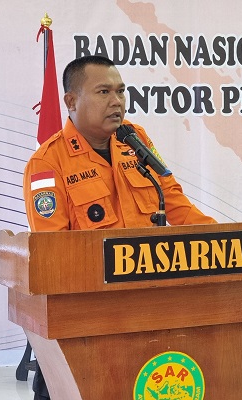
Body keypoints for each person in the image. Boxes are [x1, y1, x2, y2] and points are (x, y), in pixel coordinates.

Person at [23, 55, 217, 400]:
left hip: (148, 313)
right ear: (71, 101)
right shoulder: (47, 162)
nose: (117, 101)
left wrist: (225, 240)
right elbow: (53, 252)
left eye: (121, 91)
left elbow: (175, 203)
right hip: (84, 325)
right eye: (103, 91)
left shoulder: (135, 141)